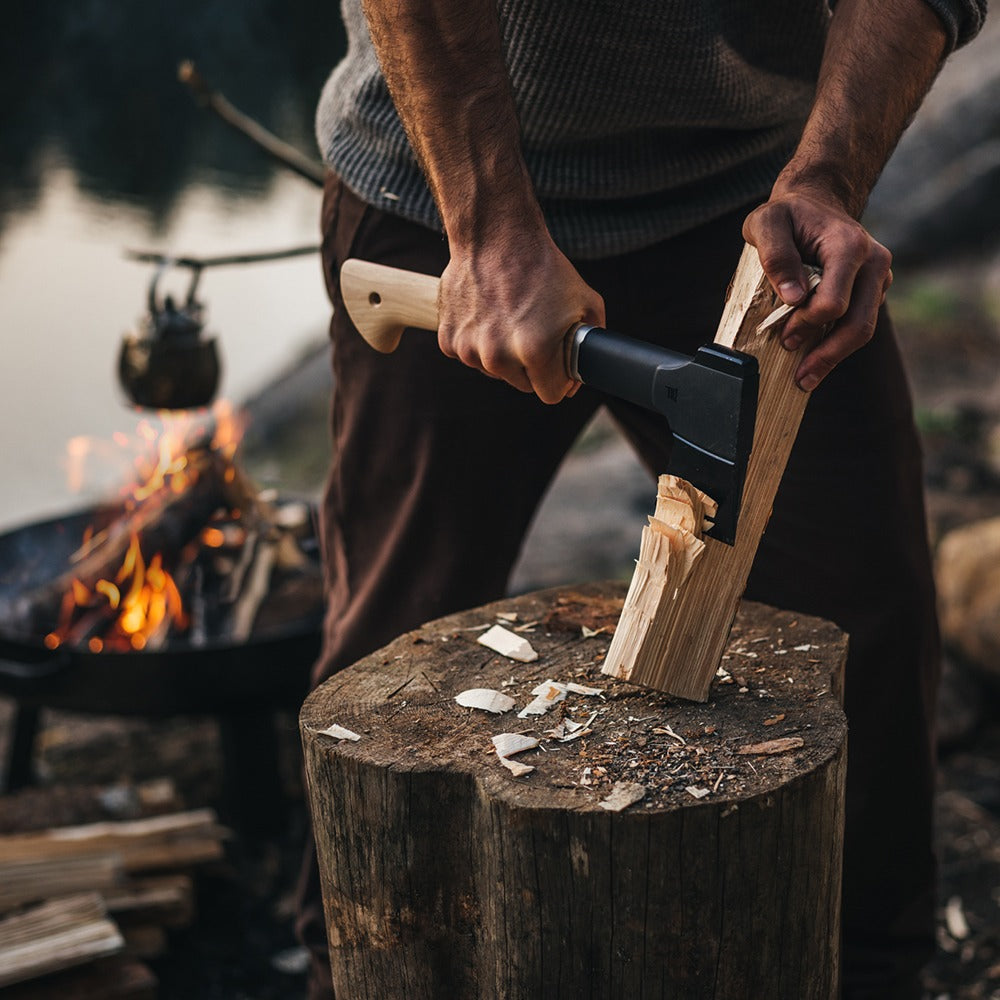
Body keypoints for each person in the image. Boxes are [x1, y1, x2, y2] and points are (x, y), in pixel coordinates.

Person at [297, 1, 988, 997]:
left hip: (753, 211)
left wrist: (830, 175)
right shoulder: (464, 208)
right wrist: (487, 224)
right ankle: (350, 970)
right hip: (448, 188)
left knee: (868, 626)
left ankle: (873, 972)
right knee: (387, 646)